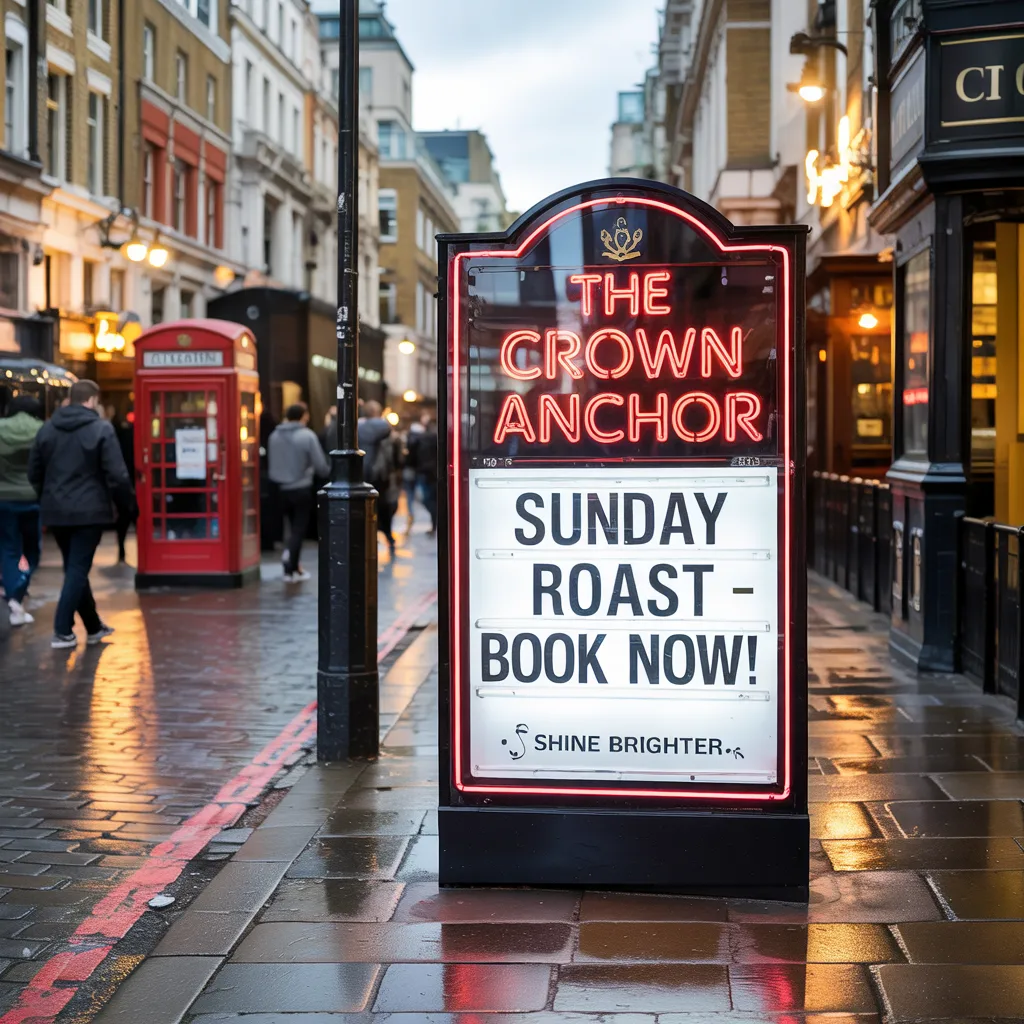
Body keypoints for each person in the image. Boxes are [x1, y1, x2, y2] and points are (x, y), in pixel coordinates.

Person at [28, 379, 134, 649]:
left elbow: (34, 473)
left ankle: (93, 626)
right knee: (77, 568)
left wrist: (48, 497)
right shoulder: (101, 428)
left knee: (75, 567)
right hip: (90, 511)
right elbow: (118, 475)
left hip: (56, 511)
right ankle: (62, 630)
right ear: (92, 400)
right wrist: (127, 507)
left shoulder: (47, 429)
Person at [267, 402, 329, 582]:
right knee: (298, 528)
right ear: (303, 416)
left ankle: (293, 567)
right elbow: (321, 466)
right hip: (301, 487)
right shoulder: (307, 435)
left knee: (288, 528)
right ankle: (289, 562)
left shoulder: (274, 436)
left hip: (278, 488)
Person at [0, 396, 44, 625]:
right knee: (32, 552)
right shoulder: (42, 430)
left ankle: (13, 596)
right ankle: (17, 593)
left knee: (8, 550)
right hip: (32, 499)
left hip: (3, 498)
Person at [358, 400, 397, 553]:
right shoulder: (382, 427)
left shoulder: (358, 427)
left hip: (362, 472)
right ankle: (387, 535)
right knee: (384, 506)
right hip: (380, 474)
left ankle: (369, 536)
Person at [411, 416, 439, 535]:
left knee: (428, 499)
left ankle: (435, 522)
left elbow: (413, 455)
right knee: (432, 499)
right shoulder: (435, 438)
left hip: (425, 473)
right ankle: (436, 522)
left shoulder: (422, 438)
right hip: (434, 473)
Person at [402, 419, 425, 529]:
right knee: (420, 492)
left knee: (410, 493)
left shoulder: (409, 440)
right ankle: (418, 514)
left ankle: (411, 512)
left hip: (410, 469)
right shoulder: (424, 440)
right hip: (420, 470)